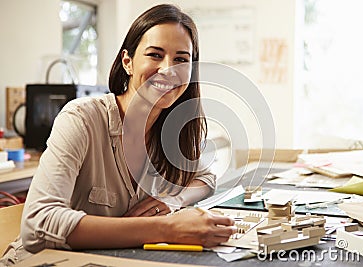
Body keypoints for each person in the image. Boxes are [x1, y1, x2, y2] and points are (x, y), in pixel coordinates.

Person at [0, 4, 235, 265]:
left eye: (181, 59)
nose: (169, 69)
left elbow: (207, 176)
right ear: (128, 62)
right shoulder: (82, 118)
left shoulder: (174, 129)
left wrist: (171, 200)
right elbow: (39, 223)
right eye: (155, 55)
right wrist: (168, 228)